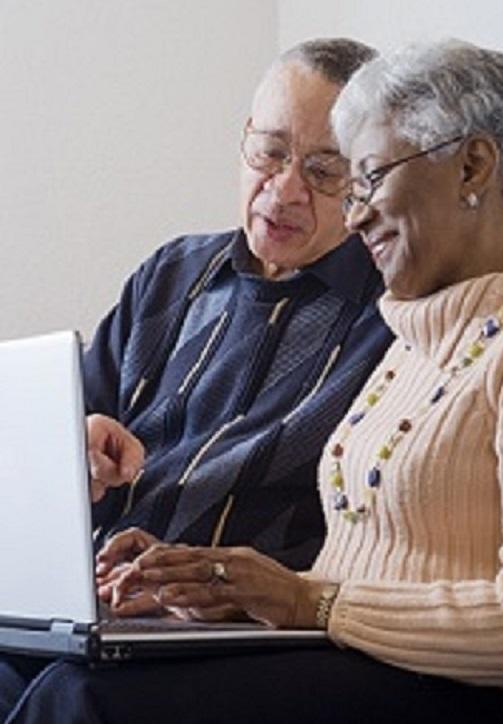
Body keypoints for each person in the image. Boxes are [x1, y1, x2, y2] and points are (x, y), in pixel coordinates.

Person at [2, 38, 503, 724]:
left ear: (473, 165)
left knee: (79, 699)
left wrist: (300, 599)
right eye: (270, 153)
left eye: (353, 176)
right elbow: (356, 566)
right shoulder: (425, 321)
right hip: (337, 650)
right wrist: (215, 583)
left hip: (473, 689)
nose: (356, 212)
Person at [0, 37, 394, 720]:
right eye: (270, 152)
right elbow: (63, 462)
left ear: (370, 179)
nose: (284, 188)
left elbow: (377, 533)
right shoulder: (173, 275)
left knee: (75, 701)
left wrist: (209, 584)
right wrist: (77, 457)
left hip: (243, 629)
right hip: (100, 611)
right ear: (245, 139)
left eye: (324, 170)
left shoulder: (394, 317)